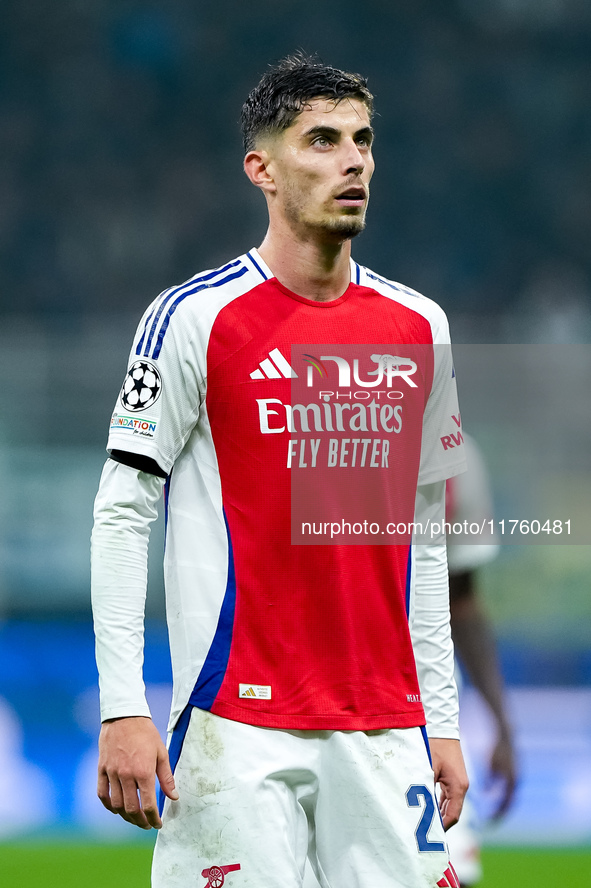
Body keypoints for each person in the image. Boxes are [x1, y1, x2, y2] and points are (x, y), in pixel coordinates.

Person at [91, 53, 469, 888]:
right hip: (238, 721)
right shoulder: (193, 318)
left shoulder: (418, 326)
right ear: (261, 169)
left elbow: (424, 544)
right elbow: (123, 511)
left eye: (363, 141)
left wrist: (438, 720)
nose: (353, 161)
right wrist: (124, 703)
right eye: (322, 140)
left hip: (383, 726)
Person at [445, 434, 517, 887]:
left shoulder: (455, 454)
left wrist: (503, 728)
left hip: (423, 713)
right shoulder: (296, 439)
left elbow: (462, 600)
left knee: (450, 870)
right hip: (299, 700)